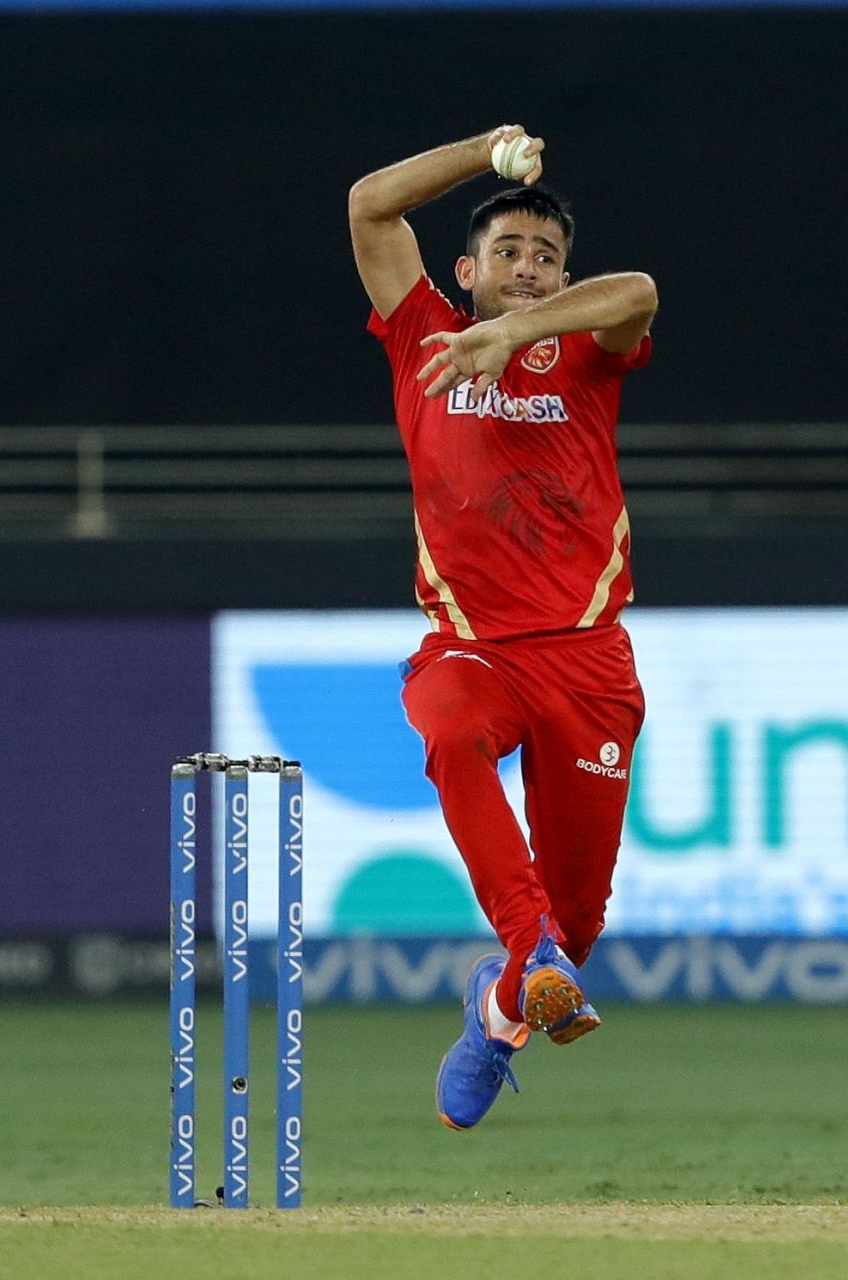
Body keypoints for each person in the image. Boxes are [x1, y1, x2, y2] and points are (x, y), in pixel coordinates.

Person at [347, 124, 659, 1130]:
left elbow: (640, 292)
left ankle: (496, 1007)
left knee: (581, 925)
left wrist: (520, 334)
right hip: (471, 647)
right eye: (511, 254)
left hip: (588, 657)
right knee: (450, 730)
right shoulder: (420, 334)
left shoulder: (582, 348)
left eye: (548, 256)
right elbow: (370, 204)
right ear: (467, 268)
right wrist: (486, 151)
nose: (530, 268)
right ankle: (528, 953)